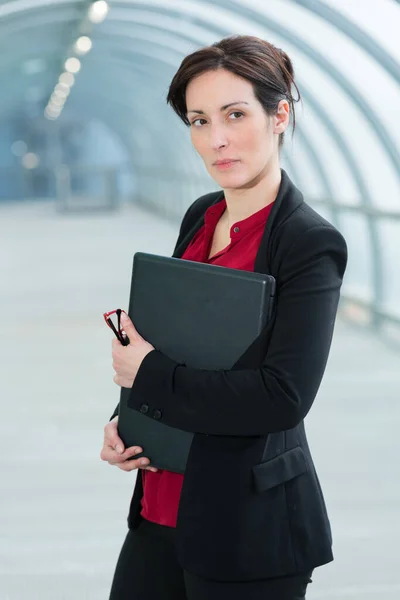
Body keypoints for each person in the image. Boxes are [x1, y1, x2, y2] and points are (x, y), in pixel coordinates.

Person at [101, 34, 348, 600]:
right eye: (198, 120)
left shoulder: (308, 243)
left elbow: (282, 396)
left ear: (279, 114)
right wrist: (128, 420)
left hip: (247, 526)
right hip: (160, 505)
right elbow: (183, 343)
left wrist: (149, 374)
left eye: (235, 115)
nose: (216, 139)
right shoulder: (201, 215)